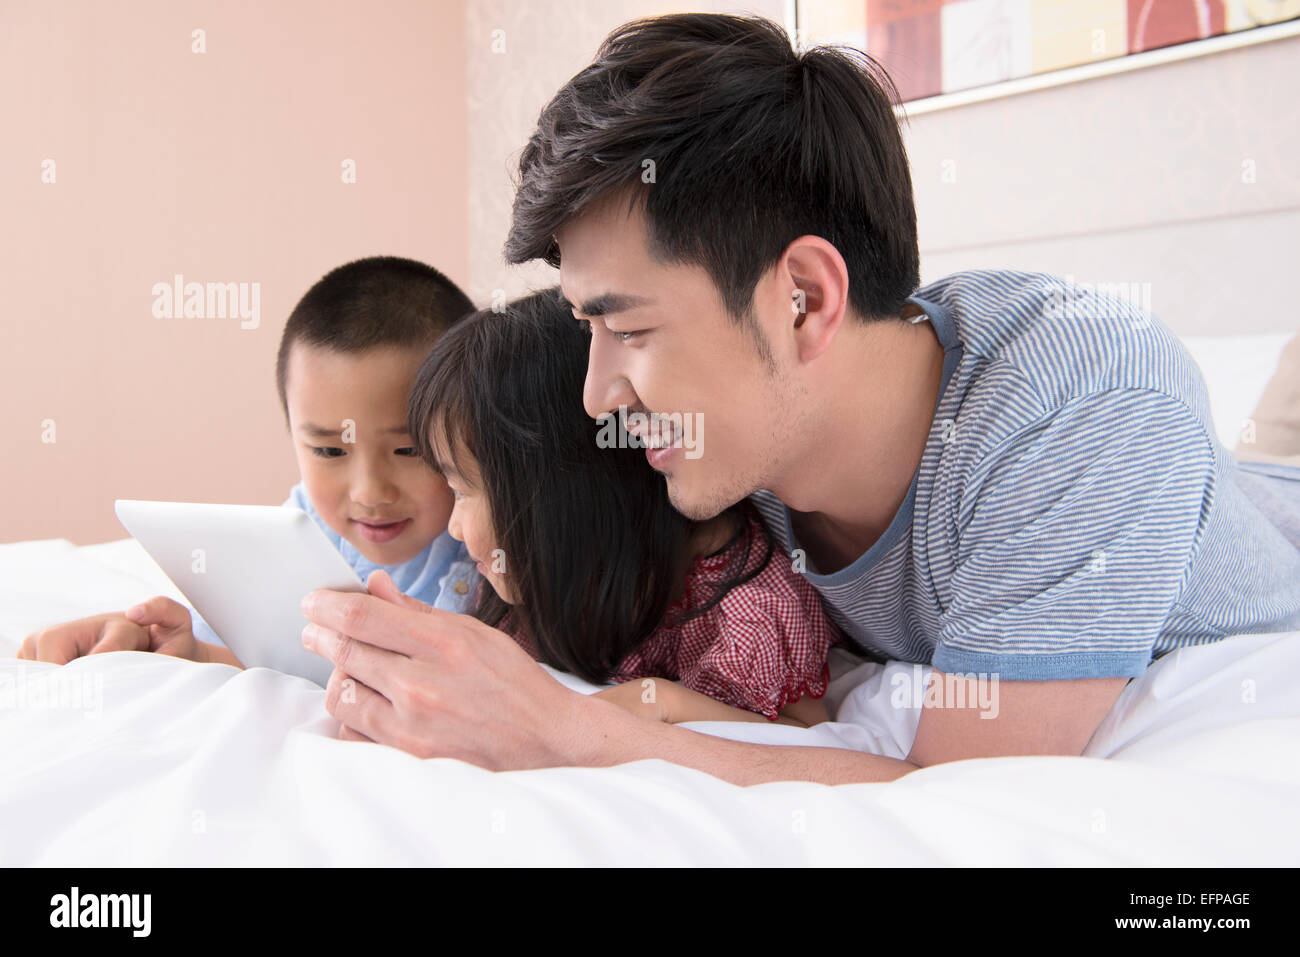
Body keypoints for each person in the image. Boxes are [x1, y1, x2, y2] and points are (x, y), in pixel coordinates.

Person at [299, 13, 1300, 785]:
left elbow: (962, 799)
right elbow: (499, 506)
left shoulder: (1086, 419)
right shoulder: (730, 439)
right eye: (585, 328)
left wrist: (566, 732)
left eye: (631, 328)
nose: (597, 393)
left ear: (804, 299)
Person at [20, 256, 481, 665]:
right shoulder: (295, 534)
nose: (369, 492)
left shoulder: (493, 553)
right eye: (328, 451)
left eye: (409, 450)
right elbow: (272, 659)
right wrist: (182, 650)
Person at [408, 288, 838, 726]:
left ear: (565, 490)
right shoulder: (541, 574)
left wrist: (660, 703)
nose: (454, 530)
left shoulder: (745, 613)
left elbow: (803, 736)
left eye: (463, 492)